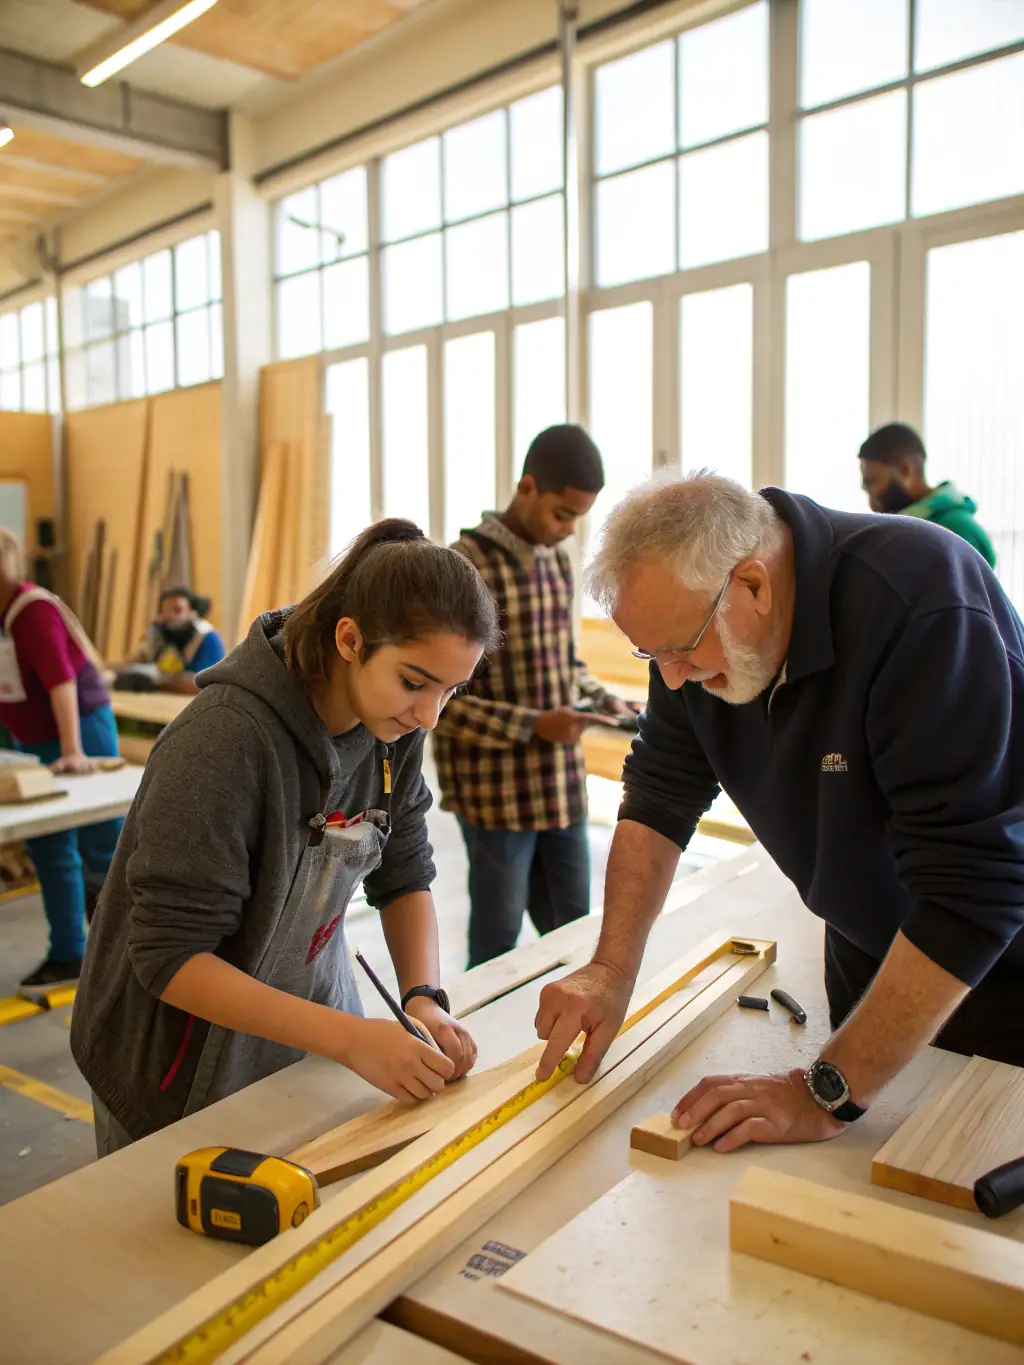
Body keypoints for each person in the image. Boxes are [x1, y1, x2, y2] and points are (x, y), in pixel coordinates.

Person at [532, 472, 1024, 1155]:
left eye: (679, 650)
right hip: (872, 963)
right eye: (655, 657)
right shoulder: (695, 621)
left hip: (999, 983)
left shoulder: (922, 601)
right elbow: (660, 790)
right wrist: (611, 969)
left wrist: (823, 1090)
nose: (670, 679)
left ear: (755, 585)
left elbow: (976, 890)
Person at [71, 520, 499, 1154]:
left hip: (303, 1029)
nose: (429, 715)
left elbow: (404, 873)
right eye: (415, 682)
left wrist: (423, 998)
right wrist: (350, 1038)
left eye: (450, 690)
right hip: (172, 1060)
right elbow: (169, 957)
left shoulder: (396, 730)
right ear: (349, 639)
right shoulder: (225, 741)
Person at [433, 425, 636, 968]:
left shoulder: (556, 560)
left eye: (578, 518)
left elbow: (564, 663)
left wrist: (607, 702)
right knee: (498, 940)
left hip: (560, 787)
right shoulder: (464, 567)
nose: (569, 530)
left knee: (574, 931)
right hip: (496, 796)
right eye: (562, 514)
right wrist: (533, 726)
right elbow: (441, 702)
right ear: (526, 489)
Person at [0, 530, 123, 991]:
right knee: (48, 845)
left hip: (78, 730)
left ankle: (125, 952)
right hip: (31, 740)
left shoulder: (31, 611)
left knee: (101, 843)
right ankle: (70, 952)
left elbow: (61, 681)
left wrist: (73, 750)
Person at [858, 422, 996, 567]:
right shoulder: (903, 528)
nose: (867, 490)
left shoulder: (959, 531)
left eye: (872, 481)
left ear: (905, 470)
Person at [115, 586, 226, 695]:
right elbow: (138, 659)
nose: (170, 616)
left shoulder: (207, 638)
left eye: (177, 610)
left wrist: (159, 682)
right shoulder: (158, 632)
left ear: (191, 612)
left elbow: (207, 686)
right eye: (165, 611)